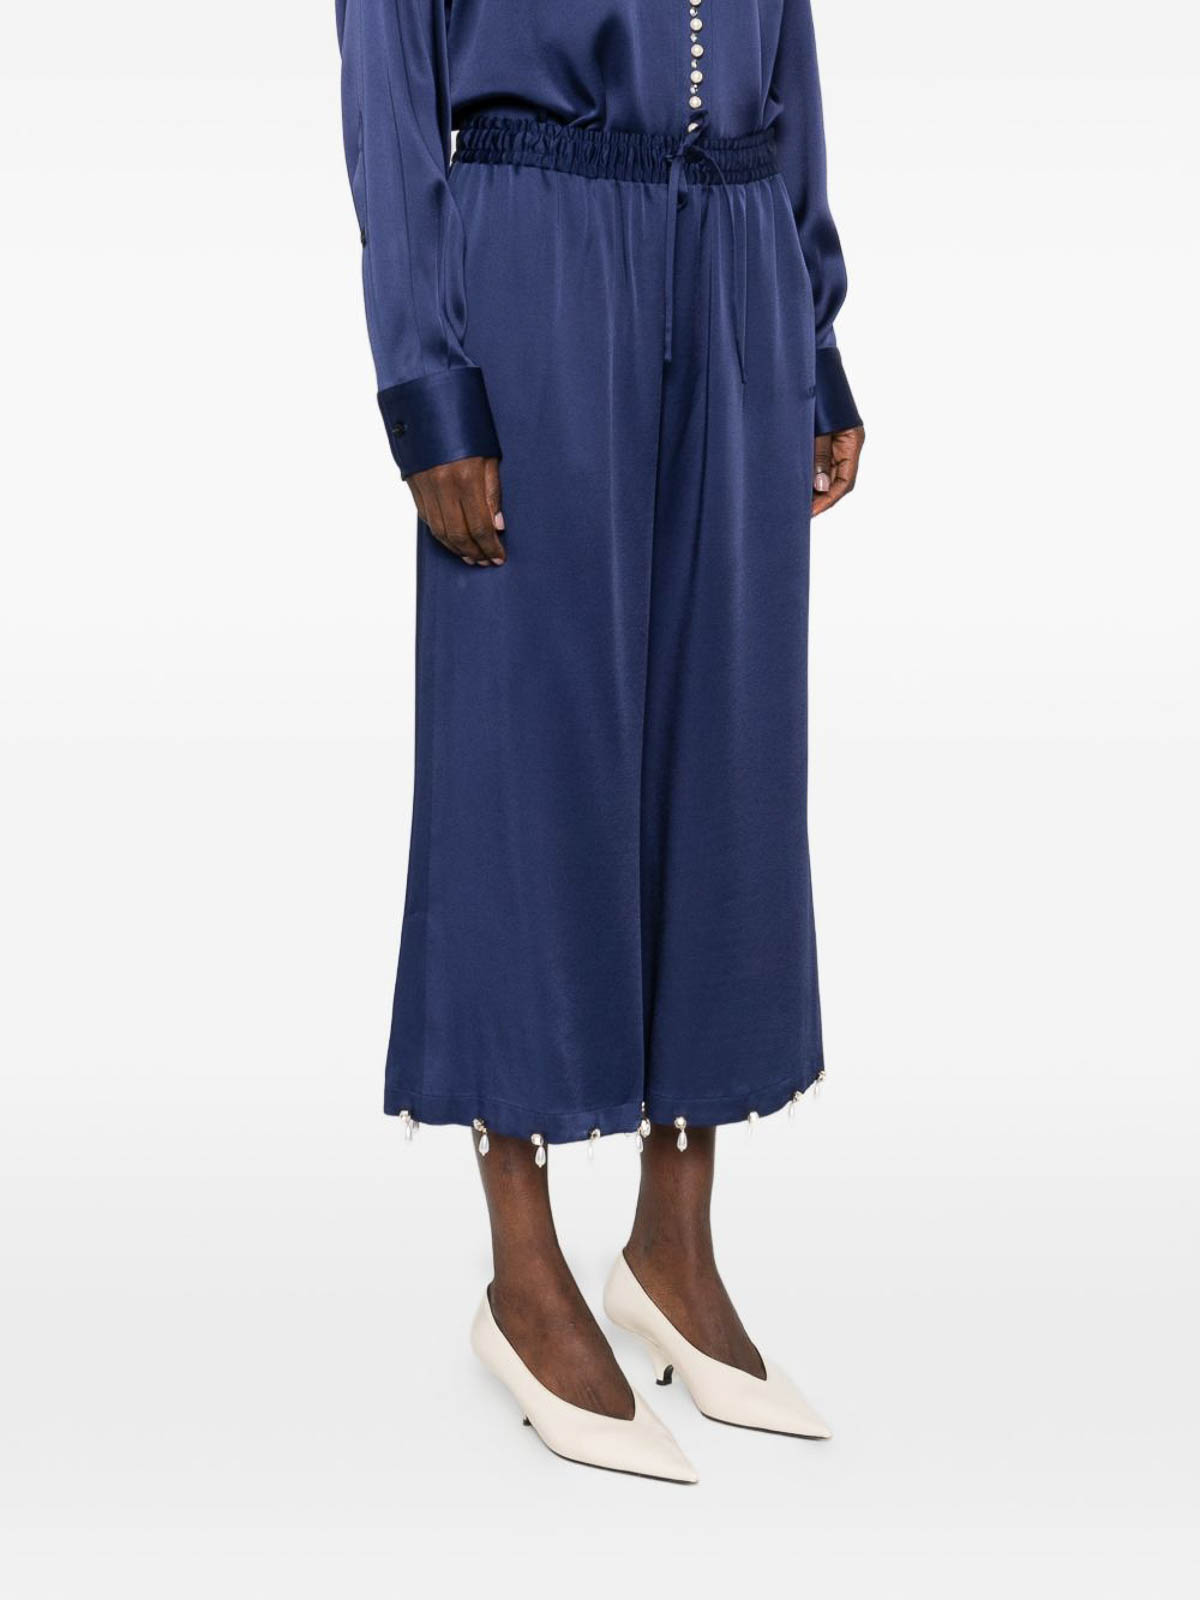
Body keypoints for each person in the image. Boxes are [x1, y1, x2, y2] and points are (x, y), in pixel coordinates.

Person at [336, 0, 865, 1482]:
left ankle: (672, 1246)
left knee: (729, 755)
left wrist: (814, 334)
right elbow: (389, 89)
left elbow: (786, 47)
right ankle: (523, 1264)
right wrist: (428, 383)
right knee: (526, 749)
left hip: (740, 249)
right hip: (536, 253)